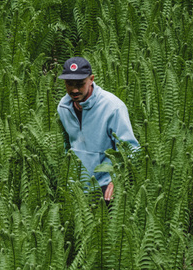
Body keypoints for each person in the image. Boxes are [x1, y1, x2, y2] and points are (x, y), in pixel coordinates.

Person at [57, 57, 139, 201]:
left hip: (106, 186)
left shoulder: (113, 107)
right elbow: (67, 145)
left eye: (80, 84)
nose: (74, 90)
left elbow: (131, 150)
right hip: (76, 186)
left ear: (91, 79)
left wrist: (118, 180)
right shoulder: (63, 107)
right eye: (70, 84)